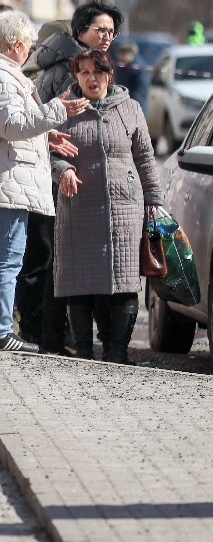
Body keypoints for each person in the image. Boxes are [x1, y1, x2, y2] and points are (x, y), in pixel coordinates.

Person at [0, 11, 84, 353]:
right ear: (16, 46)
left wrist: (47, 136)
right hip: (6, 181)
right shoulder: (0, 78)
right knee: (7, 258)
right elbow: (11, 126)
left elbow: (7, 129)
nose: (29, 52)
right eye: (27, 46)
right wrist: (59, 110)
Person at [52, 49, 163, 364]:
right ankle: (85, 353)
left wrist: (154, 199)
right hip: (78, 207)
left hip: (123, 209)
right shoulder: (63, 108)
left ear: (109, 75)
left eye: (96, 72)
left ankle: (118, 353)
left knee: (125, 280)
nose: (91, 78)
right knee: (78, 280)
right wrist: (64, 170)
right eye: (84, 72)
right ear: (77, 77)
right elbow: (46, 151)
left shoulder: (130, 108)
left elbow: (144, 157)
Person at [26, 0, 123, 354]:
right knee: (54, 259)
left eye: (111, 31)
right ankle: (51, 337)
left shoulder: (82, 62)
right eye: (100, 29)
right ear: (80, 30)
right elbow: (51, 123)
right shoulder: (73, 70)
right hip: (56, 176)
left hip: (66, 176)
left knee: (54, 258)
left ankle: (52, 336)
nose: (107, 36)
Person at [112, 43, 149, 116]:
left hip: (135, 107)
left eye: (122, 54)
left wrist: (131, 104)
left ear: (129, 54)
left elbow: (140, 90)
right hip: (123, 104)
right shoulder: (122, 66)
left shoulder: (138, 68)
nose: (120, 57)